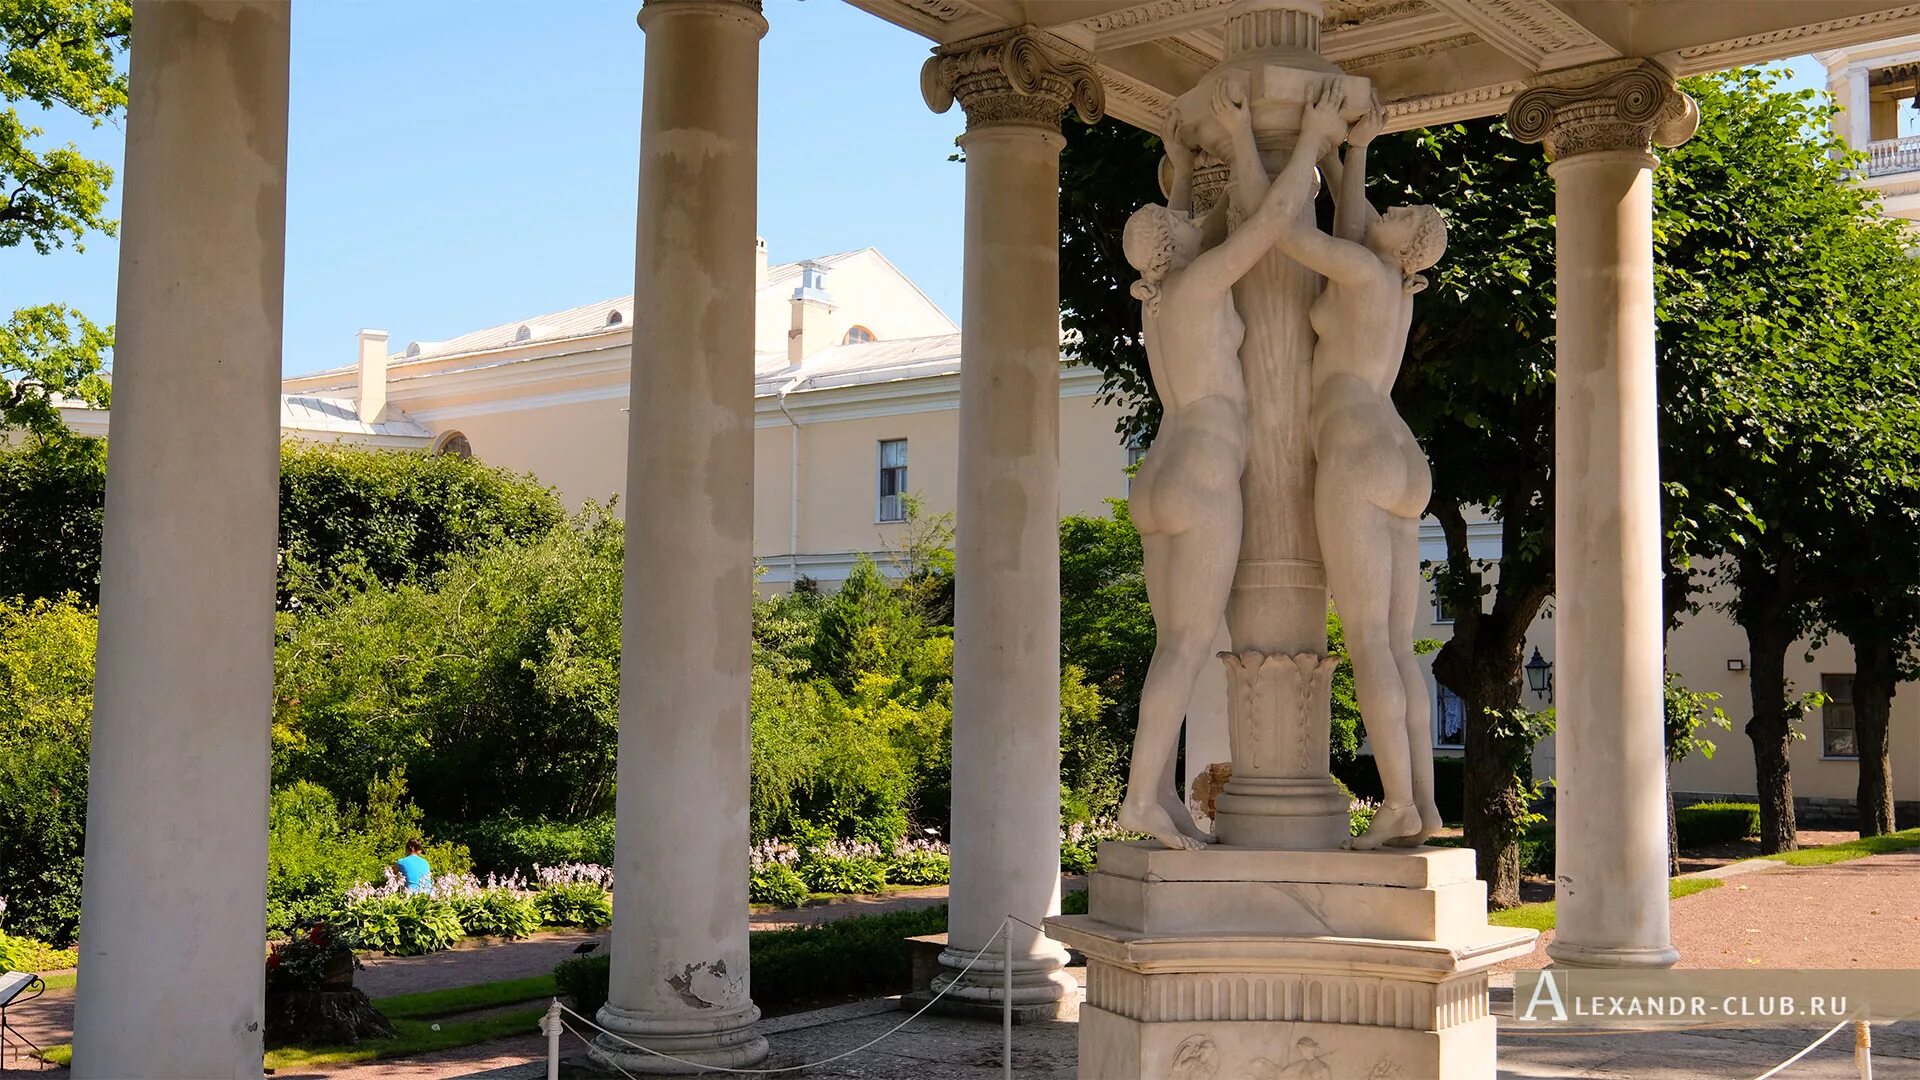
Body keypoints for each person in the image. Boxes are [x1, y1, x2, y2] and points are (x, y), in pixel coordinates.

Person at [1116, 77, 1352, 851]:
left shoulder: (1159, 295)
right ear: (1175, 249)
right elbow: (1270, 224)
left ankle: (1156, 797)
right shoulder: (1197, 283)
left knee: (1171, 645)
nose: (1194, 228)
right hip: (1206, 469)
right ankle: (1140, 800)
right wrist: (1312, 141)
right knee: (1187, 647)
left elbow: (1195, 220)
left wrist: (1185, 160)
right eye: (1181, 227)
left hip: (1160, 473)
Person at [1262, 88, 1449, 850]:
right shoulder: (1385, 282)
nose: (1385, 211)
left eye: (1400, 216)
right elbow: (1353, 219)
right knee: (1396, 647)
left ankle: (1398, 805)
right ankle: (1426, 806)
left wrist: (1307, 140)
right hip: (1399, 457)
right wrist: (1353, 151)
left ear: (1404, 244)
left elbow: (1279, 226)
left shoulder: (1366, 274)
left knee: (1370, 639)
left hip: (1356, 452)